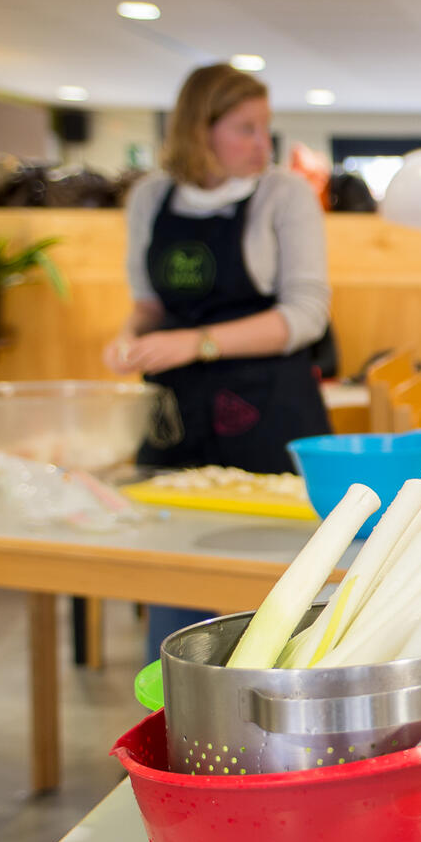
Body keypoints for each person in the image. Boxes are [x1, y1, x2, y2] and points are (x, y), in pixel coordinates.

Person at [105, 63, 333, 654]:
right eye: (245, 129)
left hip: (268, 414)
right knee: (172, 576)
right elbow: (150, 303)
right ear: (198, 130)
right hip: (176, 419)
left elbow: (306, 314)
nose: (264, 145)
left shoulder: (283, 195)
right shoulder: (150, 197)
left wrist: (198, 343)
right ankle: (175, 708)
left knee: (268, 595)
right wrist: (130, 336)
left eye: (265, 128)